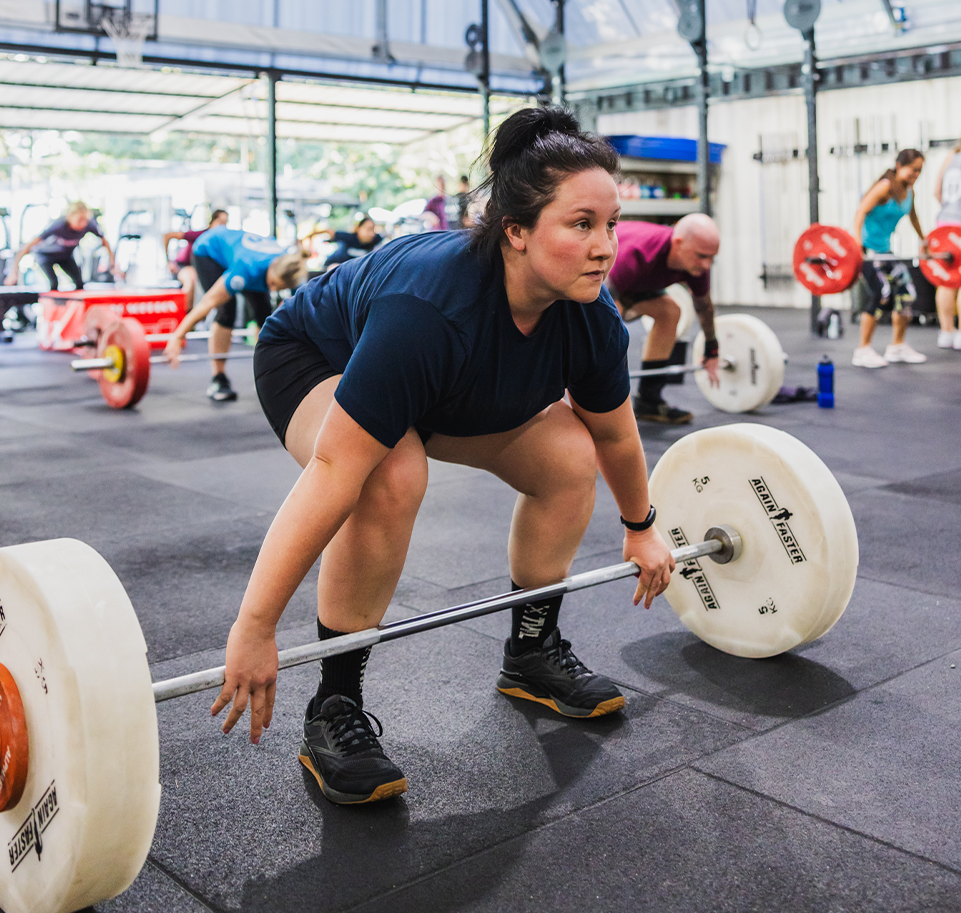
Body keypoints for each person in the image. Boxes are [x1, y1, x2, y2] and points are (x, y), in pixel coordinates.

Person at [197, 107, 674, 806]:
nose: (605, 247)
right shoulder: (428, 307)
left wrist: (641, 526)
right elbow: (334, 472)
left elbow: (614, 435)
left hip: (447, 388)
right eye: (581, 224)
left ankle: (532, 651)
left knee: (570, 454)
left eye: (610, 225)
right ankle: (335, 704)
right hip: (316, 356)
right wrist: (255, 627)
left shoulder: (591, 318)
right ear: (515, 231)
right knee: (390, 472)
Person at [607, 214, 721, 425]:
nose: (707, 264)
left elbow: (703, 306)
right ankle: (600, 401)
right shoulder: (639, 252)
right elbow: (601, 303)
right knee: (609, 325)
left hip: (635, 285)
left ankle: (649, 400)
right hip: (602, 279)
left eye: (712, 257)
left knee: (670, 311)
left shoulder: (695, 266)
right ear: (678, 243)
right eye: (702, 256)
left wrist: (712, 348)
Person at [171, 227, 307, 402]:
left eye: (278, 288)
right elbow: (207, 303)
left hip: (251, 259)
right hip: (209, 251)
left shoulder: (292, 268)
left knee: (265, 315)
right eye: (272, 283)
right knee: (227, 309)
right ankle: (219, 379)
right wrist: (178, 336)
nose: (272, 289)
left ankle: (268, 373)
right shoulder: (247, 267)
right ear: (271, 270)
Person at [851, 149, 927, 367]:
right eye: (913, 169)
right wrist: (856, 243)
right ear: (899, 165)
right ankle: (862, 350)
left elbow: (913, 217)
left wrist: (924, 241)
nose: (916, 174)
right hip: (868, 251)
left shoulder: (909, 191)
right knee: (882, 293)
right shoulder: (885, 187)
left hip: (885, 250)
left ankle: (897, 347)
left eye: (919, 171)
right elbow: (860, 212)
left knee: (907, 293)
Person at [4, 202, 115, 291]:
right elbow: (28, 246)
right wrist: (14, 272)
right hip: (45, 256)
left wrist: (113, 265)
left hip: (65, 257)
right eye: (80, 220)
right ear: (70, 217)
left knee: (80, 284)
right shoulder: (58, 226)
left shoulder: (88, 226)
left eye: (85, 220)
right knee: (54, 284)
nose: (83, 223)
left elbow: (105, 242)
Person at [162, 209, 228, 311]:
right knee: (190, 278)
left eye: (225, 223)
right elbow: (167, 236)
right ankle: (185, 314)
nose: (222, 227)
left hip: (206, 272)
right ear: (212, 222)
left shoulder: (221, 241)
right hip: (185, 267)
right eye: (220, 222)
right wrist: (169, 262)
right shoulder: (202, 235)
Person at [932, 138, 961, 349]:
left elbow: (936, 192)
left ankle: (946, 332)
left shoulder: (951, 156)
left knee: (946, 279)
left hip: (944, 226)